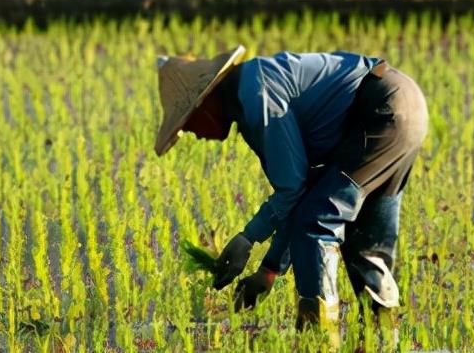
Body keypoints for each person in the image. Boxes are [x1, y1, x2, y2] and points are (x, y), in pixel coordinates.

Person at [154, 46, 428, 347]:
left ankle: (318, 342)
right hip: (405, 105)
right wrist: (268, 272)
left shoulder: (257, 94)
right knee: (365, 245)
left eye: (188, 123)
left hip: (381, 112)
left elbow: (292, 189)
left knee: (316, 223)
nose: (192, 133)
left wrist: (247, 238)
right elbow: (299, 195)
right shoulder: (253, 89)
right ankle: (385, 341)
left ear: (204, 104)